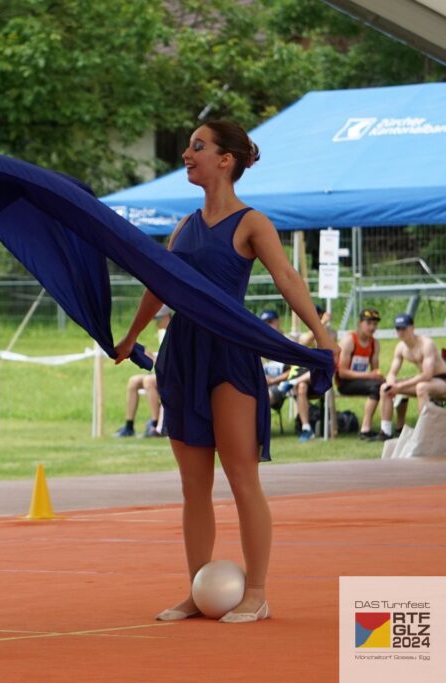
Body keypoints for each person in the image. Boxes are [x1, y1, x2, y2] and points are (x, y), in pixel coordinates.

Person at [114, 120, 338, 623]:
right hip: (183, 356)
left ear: (226, 160)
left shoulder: (251, 222)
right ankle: (199, 591)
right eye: (189, 147)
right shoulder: (184, 225)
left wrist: (324, 338)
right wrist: (130, 335)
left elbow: (286, 277)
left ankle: (256, 592)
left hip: (231, 355)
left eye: (199, 146)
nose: (188, 154)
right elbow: (158, 284)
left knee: (241, 478)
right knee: (194, 487)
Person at [376, 313, 446, 439]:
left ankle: (425, 433)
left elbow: (427, 374)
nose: (401, 332)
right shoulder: (400, 348)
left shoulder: (426, 344)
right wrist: (392, 384)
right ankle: (385, 432)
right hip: (428, 381)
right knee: (385, 388)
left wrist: (400, 385)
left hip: (442, 379)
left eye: (404, 328)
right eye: (398, 329)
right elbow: (392, 373)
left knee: (421, 387)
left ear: (412, 328)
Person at [115, 307, 170, 437]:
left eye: (157, 319)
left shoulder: (173, 333)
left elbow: (173, 363)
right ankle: (129, 426)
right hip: (164, 372)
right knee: (133, 381)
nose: (155, 322)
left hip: (173, 375)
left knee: (149, 381)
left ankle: (156, 424)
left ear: (166, 317)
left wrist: (152, 360)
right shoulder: (162, 333)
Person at [286, 304, 332, 441]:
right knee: (301, 387)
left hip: (323, 378)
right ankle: (306, 427)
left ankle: (293, 382)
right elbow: (305, 341)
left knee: (317, 368)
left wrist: (322, 324)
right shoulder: (304, 336)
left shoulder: (330, 333)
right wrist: (321, 323)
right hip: (307, 379)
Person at [336, 308, 384, 440]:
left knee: (386, 386)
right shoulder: (349, 341)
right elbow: (342, 373)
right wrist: (369, 376)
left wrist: (382, 378)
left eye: (374, 324)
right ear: (360, 323)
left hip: (362, 381)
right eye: (368, 323)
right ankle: (365, 429)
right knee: (375, 387)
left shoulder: (374, 344)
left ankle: (389, 428)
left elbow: (375, 372)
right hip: (345, 383)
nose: (372, 327)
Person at [259, 310, 293, 410]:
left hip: (282, 384)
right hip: (262, 383)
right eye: (264, 323)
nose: (267, 325)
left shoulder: (288, 342)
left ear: (278, 321)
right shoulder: (259, 343)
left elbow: (294, 370)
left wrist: (273, 380)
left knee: (264, 397)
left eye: (270, 321)